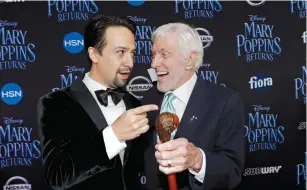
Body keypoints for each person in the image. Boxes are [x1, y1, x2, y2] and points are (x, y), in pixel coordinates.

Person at [37, 15, 158, 190]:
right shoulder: (56, 103)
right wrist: (113, 135)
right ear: (94, 54)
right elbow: (57, 175)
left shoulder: (136, 104)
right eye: (120, 52)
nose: (130, 62)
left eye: (132, 53)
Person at [141, 23, 245, 190]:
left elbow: (232, 171)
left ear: (189, 60)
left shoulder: (224, 101)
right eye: (153, 55)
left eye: (164, 55)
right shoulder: (148, 98)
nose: (154, 64)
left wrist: (197, 160)